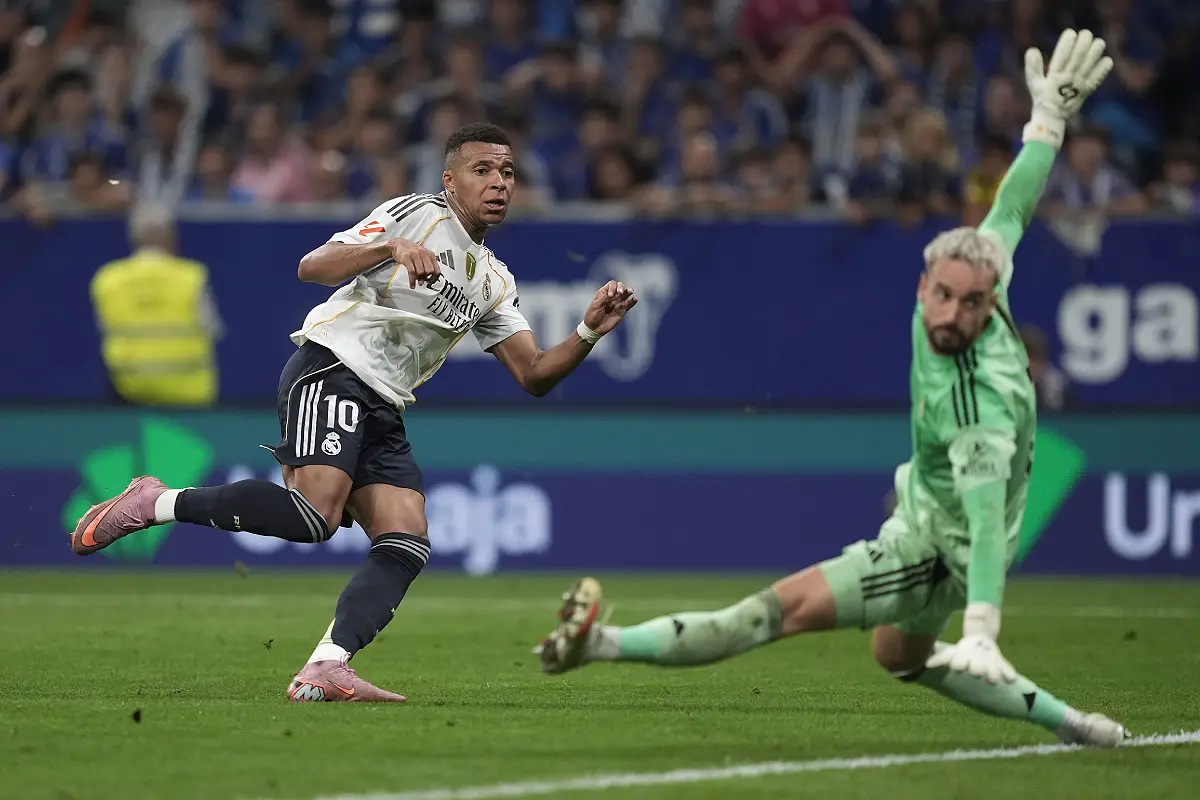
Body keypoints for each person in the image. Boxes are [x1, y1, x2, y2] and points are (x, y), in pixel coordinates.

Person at [536, 30, 1129, 748]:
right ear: (925, 284)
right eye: (940, 296)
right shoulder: (981, 269)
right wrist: (1047, 124)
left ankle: (600, 645)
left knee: (769, 613)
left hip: (934, 549)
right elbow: (1013, 207)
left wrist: (982, 628)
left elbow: (981, 524)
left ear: (988, 303)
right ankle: (1081, 730)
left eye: (966, 305)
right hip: (936, 524)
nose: (948, 314)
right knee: (898, 654)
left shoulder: (980, 405)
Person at [70, 122, 638, 703]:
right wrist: (389, 247)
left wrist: (589, 330)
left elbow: (535, 373)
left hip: (386, 402)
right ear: (450, 179)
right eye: (483, 170)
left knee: (406, 540)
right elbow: (311, 266)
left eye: (508, 173)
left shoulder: (495, 281)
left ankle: (326, 665)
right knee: (316, 514)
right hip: (334, 366)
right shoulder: (416, 214)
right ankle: (156, 502)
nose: (499, 183)